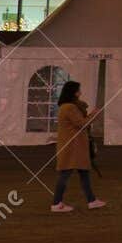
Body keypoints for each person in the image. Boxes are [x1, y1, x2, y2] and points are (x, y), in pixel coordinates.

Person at [51, 81, 105, 212]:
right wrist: (94, 114)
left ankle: (92, 200)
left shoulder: (69, 107)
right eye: (78, 90)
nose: (80, 92)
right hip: (72, 148)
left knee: (84, 173)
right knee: (65, 175)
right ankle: (56, 203)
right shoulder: (69, 107)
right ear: (73, 92)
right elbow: (82, 124)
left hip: (75, 147)